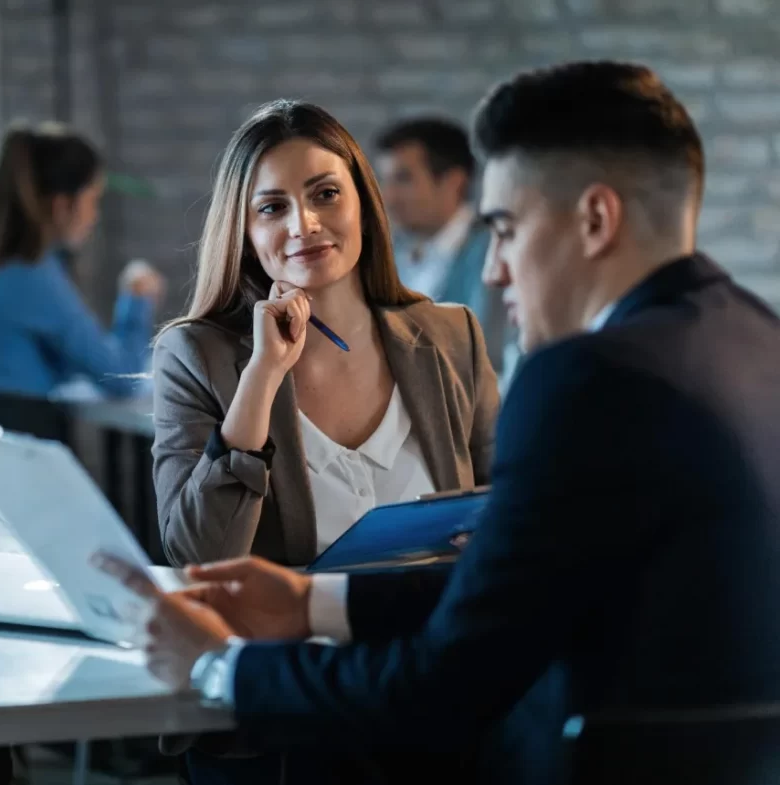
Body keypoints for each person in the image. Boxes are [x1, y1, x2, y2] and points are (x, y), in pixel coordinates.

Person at [99, 61, 780, 784]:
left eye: (506, 228)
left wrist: (217, 667)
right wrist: (314, 600)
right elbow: (519, 579)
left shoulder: (583, 378)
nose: (492, 270)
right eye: (271, 207)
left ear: (595, 218)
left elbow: (448, 677)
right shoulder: (756, 337)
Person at [152, 98, 499, 570]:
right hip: (294, 641)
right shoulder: (194, 355)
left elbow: (509, 509)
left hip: (434, 634)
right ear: (245, 232)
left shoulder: (452, 335)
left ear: (363, 203)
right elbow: (201, 557)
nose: (305, 224)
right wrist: (262, 376)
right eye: (273, 207)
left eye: (326, 194)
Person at [0, 122, 164, 494]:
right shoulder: (30, 276)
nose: (95, 215)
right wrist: (136, 299)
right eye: (92, 199)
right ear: (62, 205)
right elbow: (119, 374)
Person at [376, 117, 512, 382]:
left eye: (403, 179)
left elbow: (491, 357)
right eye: (384, 180)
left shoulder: (496, 252)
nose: (387, 196)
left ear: (454, 182)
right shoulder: (393, 255)